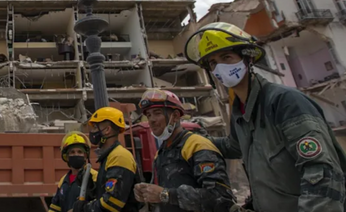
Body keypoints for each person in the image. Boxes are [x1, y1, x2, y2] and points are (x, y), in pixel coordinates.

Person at [184, 22, 346, 212]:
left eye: (226, 57)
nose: (219, 67)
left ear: (248, 58)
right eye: (212, 63)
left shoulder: (285, 102)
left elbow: (322, 173)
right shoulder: (240, 113)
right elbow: (233, 146)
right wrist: (193, 138)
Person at [133, 89, 236, 212]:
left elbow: (220, 198)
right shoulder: (161, 153)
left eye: (157, 113)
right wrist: (146, 193)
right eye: (148, 115)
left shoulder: (197, 146)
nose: (151, 120)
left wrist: (166, 195)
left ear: (175, 116)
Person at [72, 107, 141, 212]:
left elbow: (112, 202)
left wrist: (84, 209)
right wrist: (93, 188)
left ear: (107, 130)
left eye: (95, 127)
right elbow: (108, 192)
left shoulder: (119, 157)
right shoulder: (110, 156)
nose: (92, 132)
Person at [48, 132, 98, 212]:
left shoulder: (94, 177)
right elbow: (55, 207)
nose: (76, 155)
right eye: (72, 152)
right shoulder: (63, 181)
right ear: (66, 157)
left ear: (85, 156)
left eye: (79, 152)